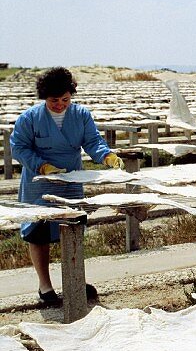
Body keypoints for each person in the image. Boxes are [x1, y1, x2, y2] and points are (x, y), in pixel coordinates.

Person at [10, 66, 123, 307]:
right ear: (44, 98)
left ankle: (74, 281)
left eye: (65, 99)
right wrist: (42, 166)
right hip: (39, 182)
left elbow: (92, 141)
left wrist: (106, 156)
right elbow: (18, 148)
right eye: (54, 101)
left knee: (71, 230)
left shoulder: (81, 115)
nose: (60, 104)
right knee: (38, 232)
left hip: (71, 180)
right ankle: (45, 286)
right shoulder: (29, 118)